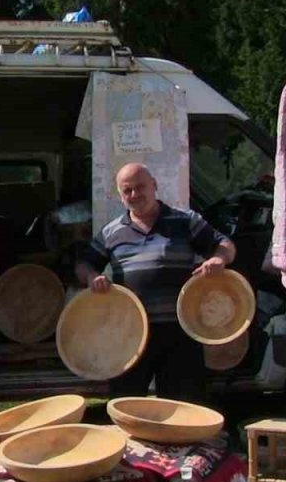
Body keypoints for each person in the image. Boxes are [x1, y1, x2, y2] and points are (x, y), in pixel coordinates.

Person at [74, 162, 236, 402]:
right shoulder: (111, 232)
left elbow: (225, 244)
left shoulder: (185, 221)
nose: (134, 194)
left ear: (154, 185)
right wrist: (91, 277)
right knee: (127, 404)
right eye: (127, 190)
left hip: (180, 331)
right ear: (120, 195)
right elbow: (84, 264)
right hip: (129, 333)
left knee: (184, 406)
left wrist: (218, 259)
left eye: (140, 187)